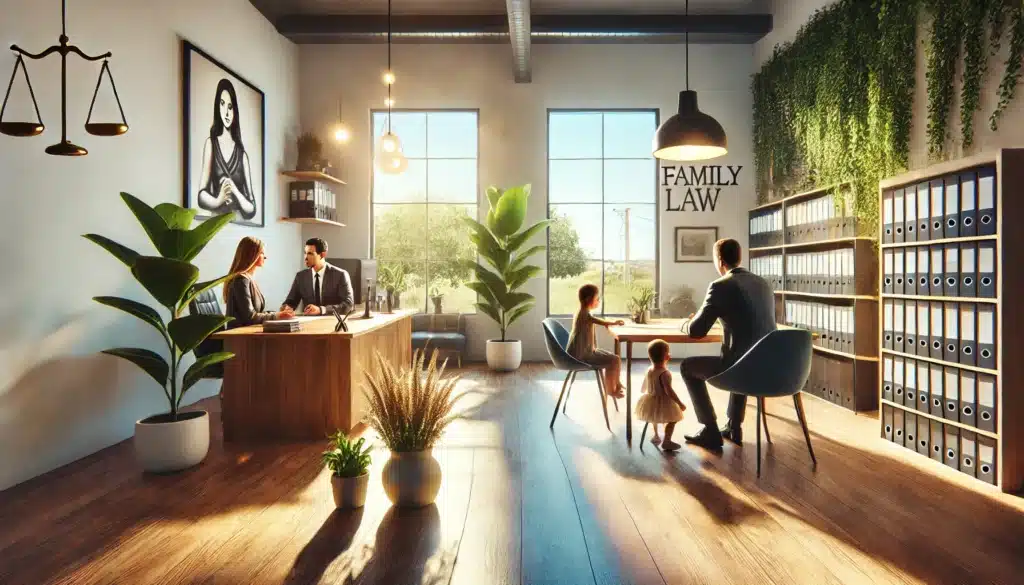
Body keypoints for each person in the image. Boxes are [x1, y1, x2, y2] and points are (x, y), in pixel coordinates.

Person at [679, 238, 776, 450]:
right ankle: (734, 427)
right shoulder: (763, 283)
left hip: (740, 370)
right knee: (743, 355)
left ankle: (710, 431)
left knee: (687, 367)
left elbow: (697, 331)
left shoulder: (720, 286)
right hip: (771, 369)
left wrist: (688, 322)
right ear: (739, 257)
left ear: (720, 261)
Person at [197, 78, 258, 221]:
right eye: (222, 104)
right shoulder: (211, 144)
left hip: (237, 220)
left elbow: (252, 208)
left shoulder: (242, 155)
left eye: (230, 107)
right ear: (217, 107)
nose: (226, 112)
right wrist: (218, 200)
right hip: (215, 222)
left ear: (235, 111)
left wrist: (235, 191)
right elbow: (201, 195)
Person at [566, 284, 625, 399]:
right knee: (613, 360)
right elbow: (597, 321)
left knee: (616, 359)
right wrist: (613, 323)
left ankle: (616, 383)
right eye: (597, 298)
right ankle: (610, 390)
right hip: (581, 355)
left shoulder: (583, 311)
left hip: (587, 351)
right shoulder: (584, 313)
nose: (598, 301)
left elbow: (594, 320)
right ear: (589, 299)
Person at [223, 237, 294, 328]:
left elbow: (256, 313)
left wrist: (279, 314)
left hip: (248, 333)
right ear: (252, 255)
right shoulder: (241, 281)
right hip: (240, 338)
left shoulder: (248, 279)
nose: (265, 257)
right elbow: (250, 317)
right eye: (262, 253)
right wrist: (278, 316)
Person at [282, 237, 354, 316]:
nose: (305, 257)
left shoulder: (340, 275)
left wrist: (321, 310)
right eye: (305, 253)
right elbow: (290, 302)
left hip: (331, 322)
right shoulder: (301, 277)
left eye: (310, 254)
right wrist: (286, 308)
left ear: (322, 255)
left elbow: (348, 305)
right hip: (308, 324)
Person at [636, 339, 686, 451]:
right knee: (673, 419)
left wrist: (645, 392)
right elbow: (669, 391)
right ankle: (666, 441)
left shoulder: (649, 370)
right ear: (667, 357)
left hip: (650, 398)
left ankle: (656, 435)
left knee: (653, 416)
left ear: (650, 357)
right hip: (663, 400)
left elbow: (644, 386)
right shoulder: (665, 373)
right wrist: (680, 403)